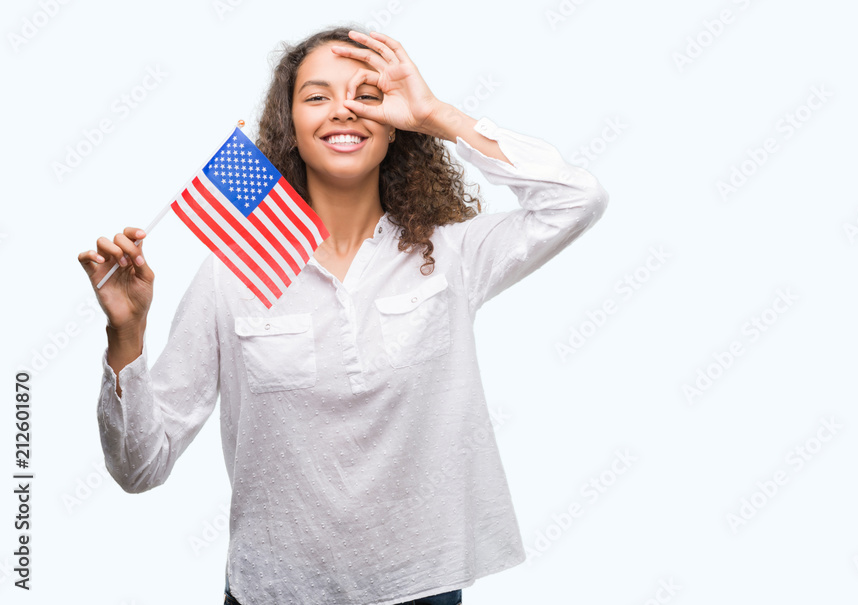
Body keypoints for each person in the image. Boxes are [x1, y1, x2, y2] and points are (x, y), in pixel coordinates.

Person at [78, 25, 608, 605]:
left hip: (422, 586)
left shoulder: (450, 253)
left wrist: (437, 114)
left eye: (366, 95)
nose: (343, 111)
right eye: (317, 96)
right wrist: (125, 335)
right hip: (274, 592)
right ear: (292, 128)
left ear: (394, 126)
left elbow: (576, 199)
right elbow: (140, 467)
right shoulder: (233, 271)